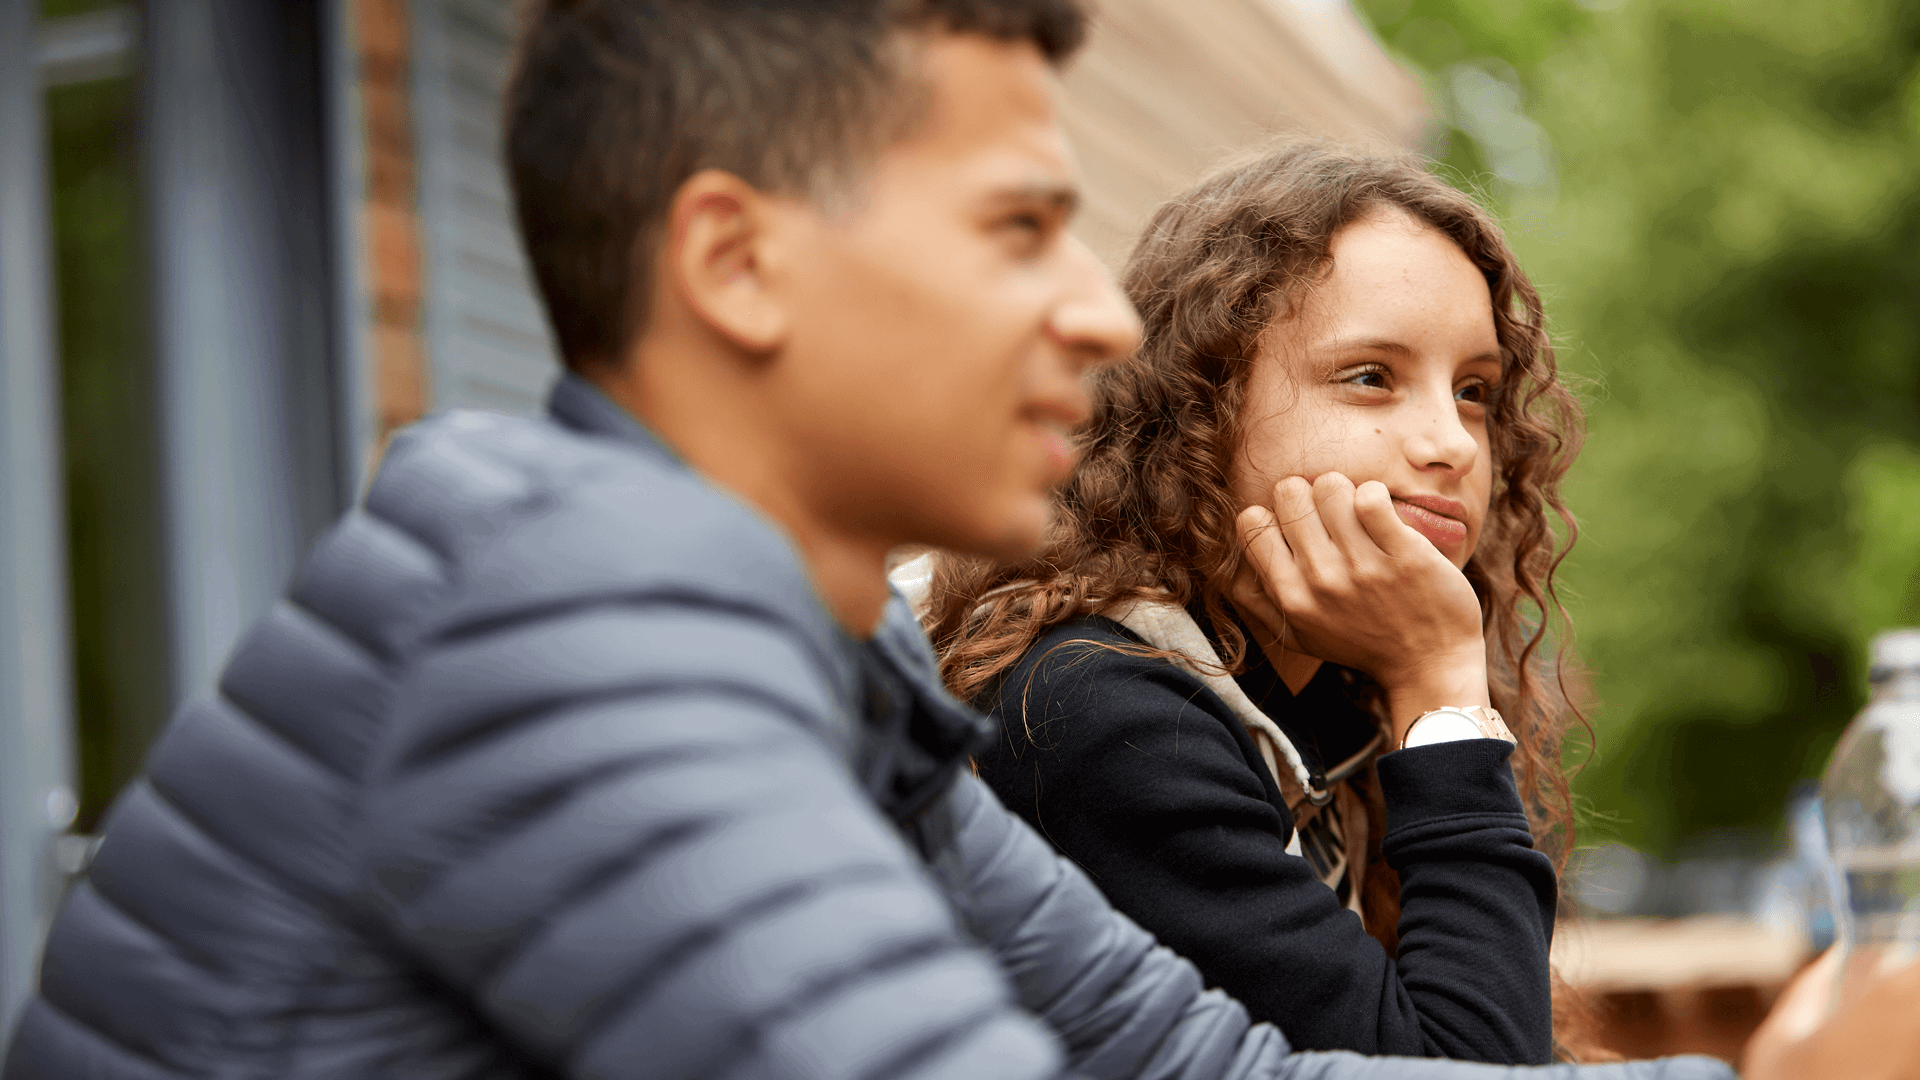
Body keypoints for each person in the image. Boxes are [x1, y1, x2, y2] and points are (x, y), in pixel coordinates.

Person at [0, 2, 1901, 1079]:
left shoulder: (833, 683)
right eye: (1016, 230)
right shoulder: (560, 624)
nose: (1093, 317)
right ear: (738, 263)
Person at [901, 142, 1601, 1061]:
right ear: (1202, 404)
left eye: (1474, 392)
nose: (1451, 443)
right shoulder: (1092, 703)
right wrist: (1442, 697)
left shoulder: (1331, 696)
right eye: (1370, 377)